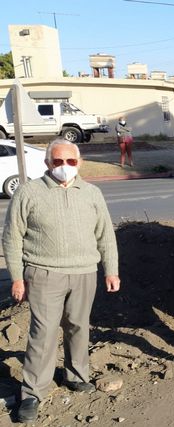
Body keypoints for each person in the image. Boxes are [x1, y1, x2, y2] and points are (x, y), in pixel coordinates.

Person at [2, 139, 120, 423]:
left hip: (84, 273)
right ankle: (32, 393)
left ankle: (77, 375)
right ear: (47, 164)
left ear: (78, 163)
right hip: (43, 273)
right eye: (58, 162)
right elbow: (12, 238)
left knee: (79, 327)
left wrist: (111, 270)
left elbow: (106, 234)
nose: (65, 167)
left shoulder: (91, 193)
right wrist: (17, 277)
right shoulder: (29, 192)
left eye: (71, 161)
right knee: (42, 334)